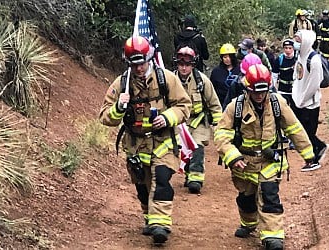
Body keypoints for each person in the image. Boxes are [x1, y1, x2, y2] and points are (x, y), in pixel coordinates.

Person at [99, 35, 191, 244]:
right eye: (134, 64)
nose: (139, 68)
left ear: (149, 58)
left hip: (163, 143)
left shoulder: (166, 79)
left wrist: (168, 118)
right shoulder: (121, 84)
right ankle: (150, 219)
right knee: (142, 187)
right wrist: (119, 108)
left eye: (141, 63)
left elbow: (185, 106)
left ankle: (161, 225)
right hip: (136, 146)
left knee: (161, 180)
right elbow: (105, 117)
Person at [214, 63, 314, 250]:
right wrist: (233, 156)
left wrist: (308, 154)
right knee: (246, 198)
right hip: (243, 163)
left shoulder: (277, 104)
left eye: (263, 91)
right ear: (248, 89)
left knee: (270, 196)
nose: (260, 96)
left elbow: (294, 129)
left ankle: (273, 236)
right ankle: (249, 223)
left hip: (269, 162)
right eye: (255, 92)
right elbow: (221, 135)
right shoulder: (234, 107)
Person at [173, 45, 222, 193]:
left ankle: (196, 179)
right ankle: (188, 173)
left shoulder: (202, 81)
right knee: (181, 149)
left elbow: (214, 103)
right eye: (181, 64)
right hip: (178, 123)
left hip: (198, 121)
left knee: (197, 147)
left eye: (187, 65)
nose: (184, 68)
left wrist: (219, 126)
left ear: (193, 65)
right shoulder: (170, 80)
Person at [292, 30, 329, 171]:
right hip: (299, 100)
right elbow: (298, 77)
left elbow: (314, 84)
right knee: (302, 131)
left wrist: (303, 99)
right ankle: (317, 151)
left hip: (310, 103)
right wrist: (296, 96)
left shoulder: (314, 60)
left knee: (308, 132)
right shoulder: (300, 56)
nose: (296, 43)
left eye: (298, 41)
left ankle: (315, 157)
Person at [210, 43, 241, 109]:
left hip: (237, 103)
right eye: (225, 57)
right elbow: (212, 89)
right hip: (221, 104)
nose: (227, 59)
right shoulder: (216, 71)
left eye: (230, 57)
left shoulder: (240, 70)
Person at [271, 39, 297, 108]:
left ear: (293, 48)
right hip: (282, 90)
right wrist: (274, 89)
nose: (288, 50)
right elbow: (274, 75)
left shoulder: (297, 59)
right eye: (286, 48)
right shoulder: (279, 59)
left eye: (290, 48)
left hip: (295, 89)